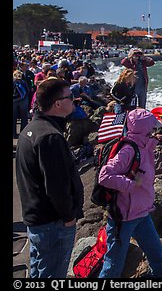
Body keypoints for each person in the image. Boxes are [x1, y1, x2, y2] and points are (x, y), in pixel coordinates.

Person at [15, 78, 84, 278]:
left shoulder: (30, 129)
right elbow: (56, 185)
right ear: (58, 104)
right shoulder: (50, 137)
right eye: (70, 97)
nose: (74, 100)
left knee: (39, 272)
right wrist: (69, 217)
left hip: (37, 219)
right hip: (52, 223)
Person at [97, 108, 162, 278]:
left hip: (142, 212)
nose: (155, 131)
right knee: (112, 266)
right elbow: (105, 176)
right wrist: (131, 184)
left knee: (158, 259)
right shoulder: (129, 150)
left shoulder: (144, 146)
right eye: (152, 128)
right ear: (145, 129)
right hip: (124, 217)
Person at [13, 69, 30, 138]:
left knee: (13, 117)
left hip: (13, 101)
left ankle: (14, 134)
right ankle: (23, 133)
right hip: (23, 100)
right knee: (24, 117)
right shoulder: (23, 82)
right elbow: (27, 91)